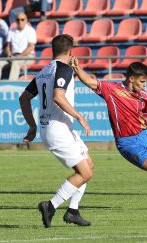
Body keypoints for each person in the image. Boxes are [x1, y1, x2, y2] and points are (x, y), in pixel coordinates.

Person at [71, 61, 147, 210]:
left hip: (146, 136)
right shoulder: (111, 89)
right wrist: (76, 67)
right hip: (127, 142)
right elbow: (88, 81)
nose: (144, 85)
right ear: (131, 79)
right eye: (142, 81)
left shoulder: (143, 95)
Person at [19, 34, 93, 228]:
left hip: (58, 128)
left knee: (88, 165)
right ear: (71, 52)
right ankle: (51, 205)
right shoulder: (64, 69)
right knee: (85, 173)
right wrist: (79, 116)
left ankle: (73, 211)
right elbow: (58, 96)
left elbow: (24, 98)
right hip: (57, 130)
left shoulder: (44, 71)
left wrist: (32, 126)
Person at [0, 12, 36, 81]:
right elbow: (8, 46)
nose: (20, 21)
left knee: (16, 62)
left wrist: (20, 56)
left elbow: (31, 47)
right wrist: (9, 55)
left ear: (26, 20)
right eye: (18, 20)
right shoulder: (11, 31)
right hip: (13, 56)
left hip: (27, 56)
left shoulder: (31, 31)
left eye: (22, 19)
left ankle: (12, 83)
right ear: (15, 21)